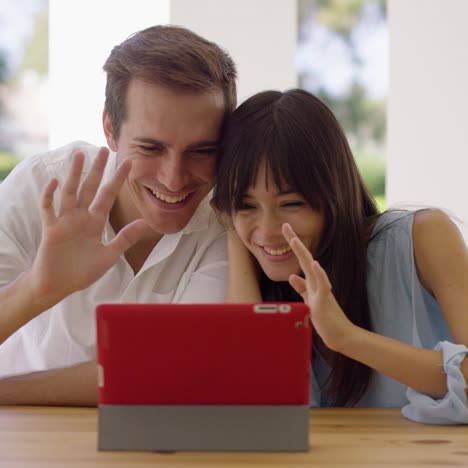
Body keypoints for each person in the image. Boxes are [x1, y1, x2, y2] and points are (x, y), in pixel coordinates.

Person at [0, 25, 237, 405]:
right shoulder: (40, 187)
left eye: (201, 151)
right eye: (151, 148)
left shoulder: (227, 221)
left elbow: (168, 371)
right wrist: (37, 290)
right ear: (110, 129)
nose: (173, 178)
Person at [212, 88, 468, 424]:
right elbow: (255, 406)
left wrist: (346, 337)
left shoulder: (422, 236)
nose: (268, 230)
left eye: (291, 204)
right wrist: (235, 232)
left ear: (333, 193)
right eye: (246, 205)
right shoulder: (255, 273)